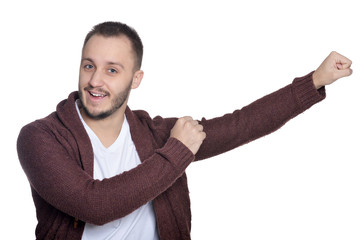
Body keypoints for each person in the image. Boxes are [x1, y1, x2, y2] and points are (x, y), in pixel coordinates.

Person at [17, 21, 353, 240]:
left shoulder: (155, 133)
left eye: (112, 70)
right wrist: (177, 152)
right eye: (88, 65)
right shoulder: (40, 138)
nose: (95, 81)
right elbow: (95, 205)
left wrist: (315, 82)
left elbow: (240, 125)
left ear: (136, 79)